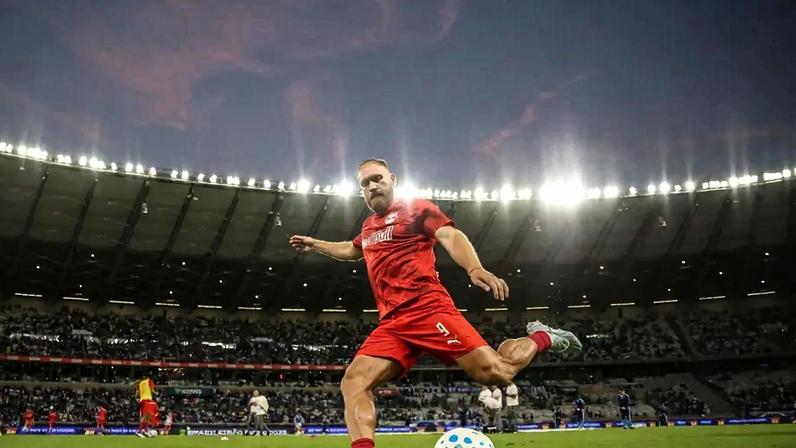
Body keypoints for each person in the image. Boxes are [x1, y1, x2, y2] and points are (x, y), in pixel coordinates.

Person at [289, 159, 582, 448]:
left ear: (393, 179)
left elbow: (450, 234)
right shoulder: (368, 227)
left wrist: (474, 268)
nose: (372, 186)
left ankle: (543, 337)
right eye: (365, 184)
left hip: (427, 309)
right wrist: (316, 244)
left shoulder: (415, 208)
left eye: (377, 178)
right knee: (353, 381)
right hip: (392, 323)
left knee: (497, 373)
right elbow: (352, 250)